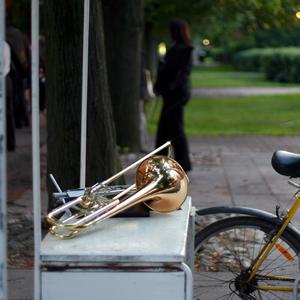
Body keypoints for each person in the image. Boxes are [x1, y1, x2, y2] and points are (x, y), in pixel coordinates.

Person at [154, 18, 193, 172]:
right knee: (170, 129)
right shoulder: (182, 49)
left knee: (172, 130)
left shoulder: (180, 50)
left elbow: (170, 72)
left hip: (174, 94)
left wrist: (160, 86)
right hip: (176, 93)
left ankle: (176, 163)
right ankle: (170, 162)